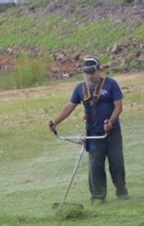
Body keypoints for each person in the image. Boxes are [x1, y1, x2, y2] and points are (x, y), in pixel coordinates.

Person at [48, 57, 128, 204]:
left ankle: (121, 190)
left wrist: (110, 122)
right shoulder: (80, 89)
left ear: (98, 70)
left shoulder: (111, 85)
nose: (90, 76)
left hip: (112, 132)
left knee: (116, 163)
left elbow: (118, 106)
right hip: (93, 134)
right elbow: (69, 107)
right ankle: (98, 196)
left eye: (92, 72)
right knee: (95, 166)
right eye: (87, 73)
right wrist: (55, 122)